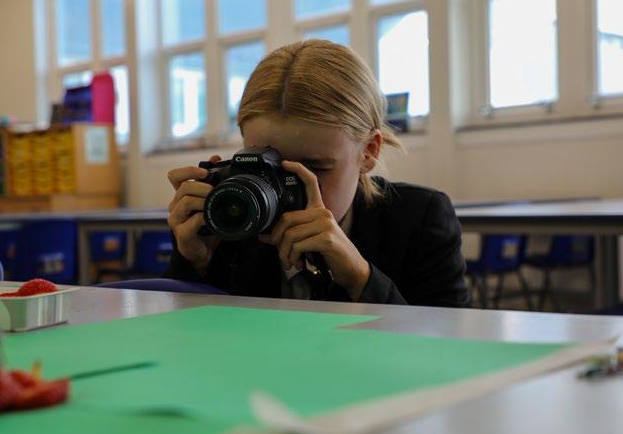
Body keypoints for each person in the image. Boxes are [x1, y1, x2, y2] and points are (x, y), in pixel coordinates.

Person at [163, 40, 469, 307]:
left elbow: (448, 345)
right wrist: (196, 264)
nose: (286, 187)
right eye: (265, 164)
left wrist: (360, 278)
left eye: (315, 168)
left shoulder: (419, 221)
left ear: (369, 151)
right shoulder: (232, 215)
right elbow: (185, 344)